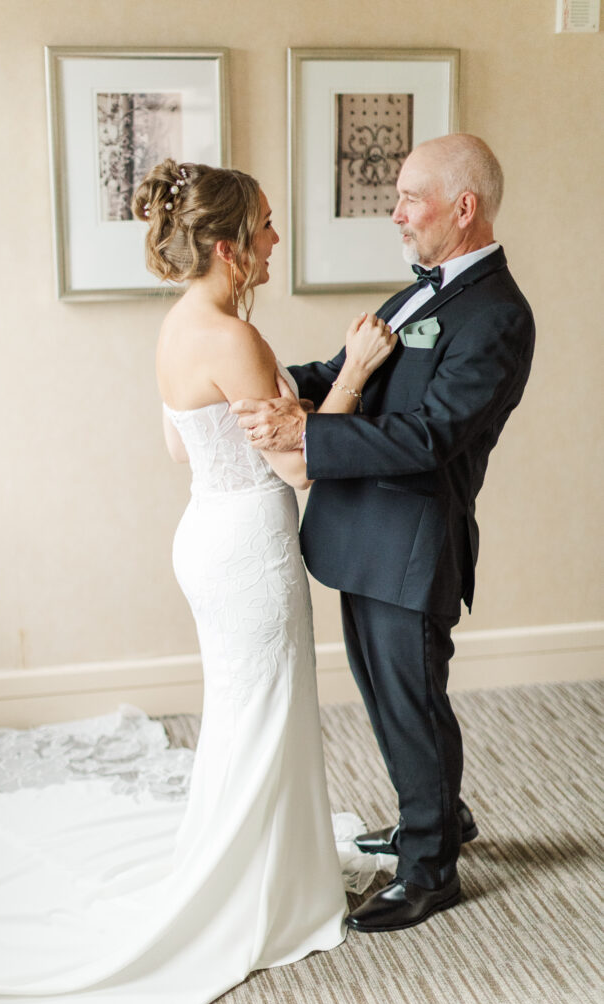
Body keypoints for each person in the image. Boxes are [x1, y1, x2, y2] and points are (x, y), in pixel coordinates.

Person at [0, 162, 397, 1004]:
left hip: (204, 534)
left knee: (245, 712)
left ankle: (260, 868)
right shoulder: (234, 338)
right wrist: (356, 368)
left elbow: (184, 449)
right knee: (266, 710)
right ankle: (254, 891)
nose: (274, 243)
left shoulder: (180, 325)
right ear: (226, 245)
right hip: (248, 541)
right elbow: (296, 465)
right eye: (263, 229)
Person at [233, 134, 535, 933]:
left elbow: (432, 434)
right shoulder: (415, 295)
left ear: (462, 208)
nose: (394, 213)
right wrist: (268, 386)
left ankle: (431, 867)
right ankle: (433, 814)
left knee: (411, 703)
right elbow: (343, 370)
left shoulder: (498, 315)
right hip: (360, 530)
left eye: (410, 198)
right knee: (381, 694)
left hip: (411, 543)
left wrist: (306, 437)